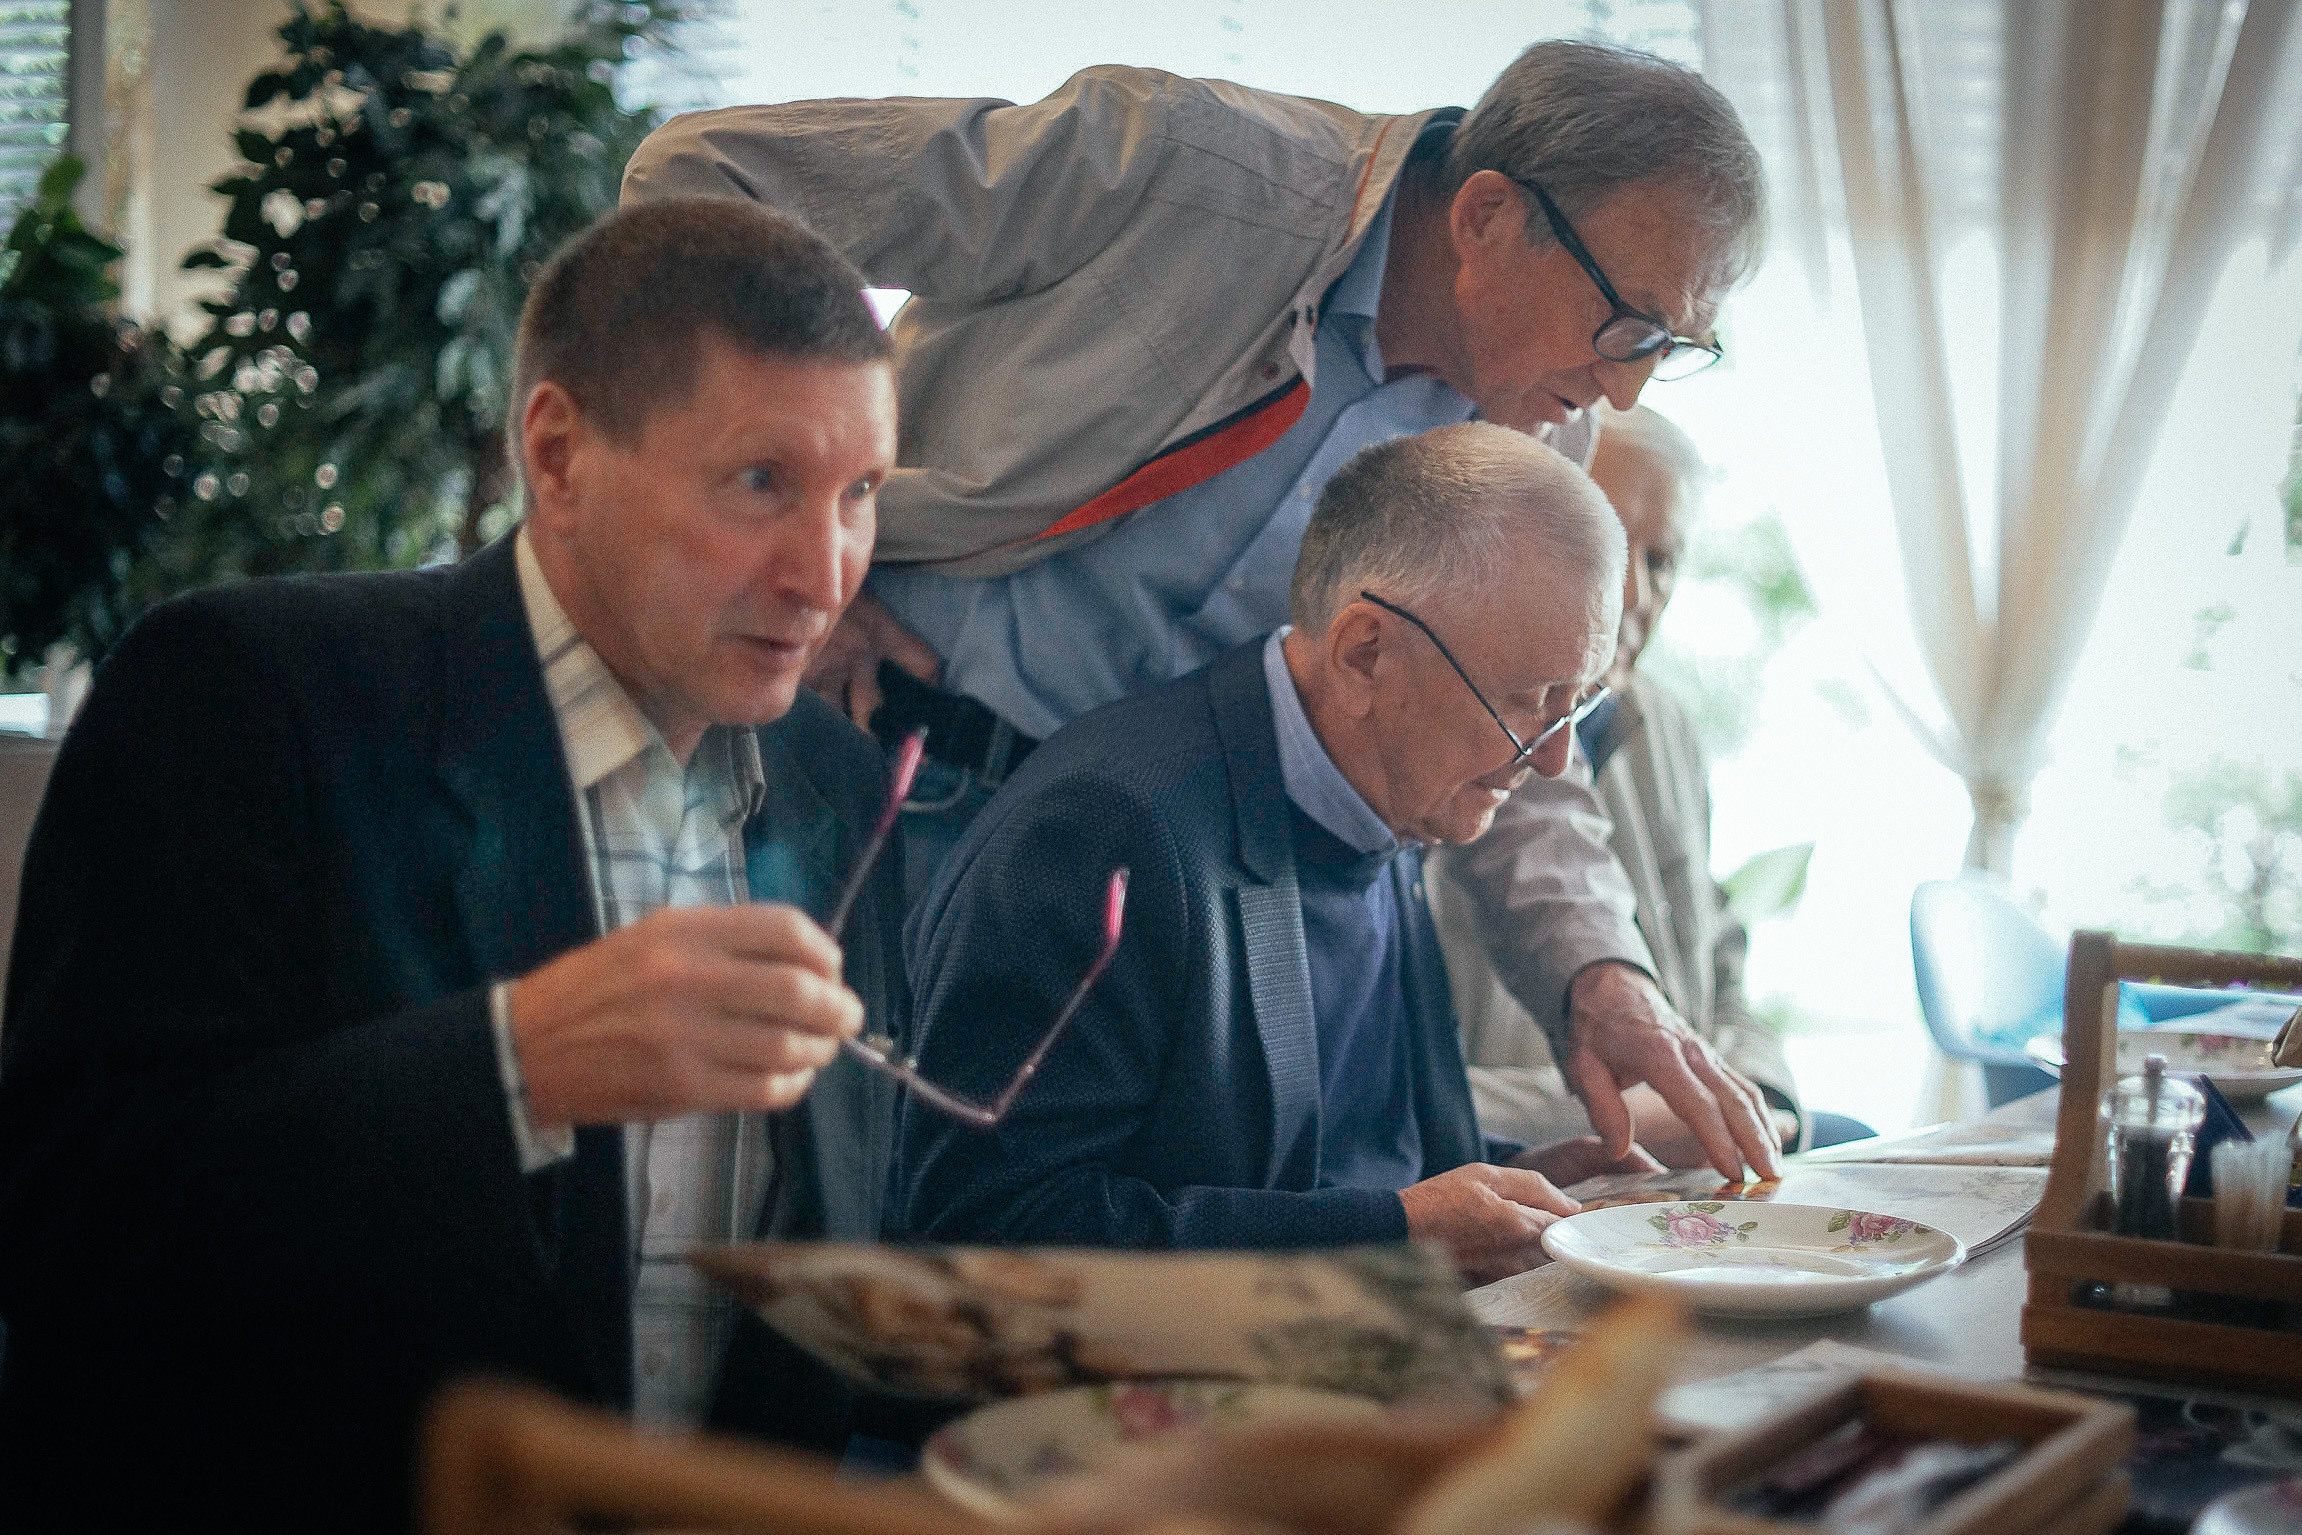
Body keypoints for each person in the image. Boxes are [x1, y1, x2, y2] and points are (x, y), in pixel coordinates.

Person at [622, 39, 1783, 1182]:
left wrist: (1598, 971)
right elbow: (705, 178)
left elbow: (1514, 727)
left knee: (983, 1274)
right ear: (1485, 215)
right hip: (855, 771)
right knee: (757, 1216)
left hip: (1115, 898)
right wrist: (804, 547)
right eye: (1626, 322)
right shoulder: (1197, 171)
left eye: (1674, 346)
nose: (1627, 386)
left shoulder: (1538, 421)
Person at [0, 200, 908, 1531]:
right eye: (760, 481)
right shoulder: (248, 693)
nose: (823, 572)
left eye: (861, 494)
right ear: (556, 452)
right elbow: (64, 1216)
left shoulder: (835, 781)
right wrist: (510, 1065)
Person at [892, 424, 1666, 1286]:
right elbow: (981, 1229)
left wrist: (1521, 1187)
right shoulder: (1105, 834)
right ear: (1365, 653)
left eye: (1575, 707)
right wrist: (1394, 1234)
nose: (1555, 759)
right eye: (1530, 703)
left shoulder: (1397, 796)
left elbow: (1312, 1166)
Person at [1432, 405, 1868, 1160]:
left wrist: (1762, 1091)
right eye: (1602, 548)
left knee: (1858, 1147)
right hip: (1529, 1146)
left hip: (1685, 1124)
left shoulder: (1666, 725)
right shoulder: (1447, 738)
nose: (1633, 593)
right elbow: (1411, 1097)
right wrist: (1650, 1115)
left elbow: (1722, 950)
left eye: (1660, 560)